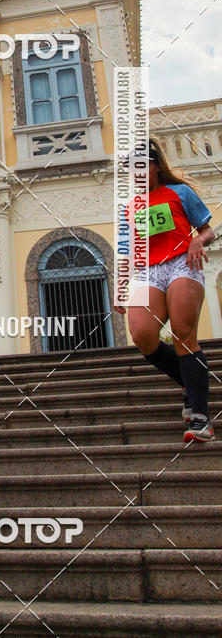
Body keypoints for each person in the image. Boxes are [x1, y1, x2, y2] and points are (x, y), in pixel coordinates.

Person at [114, 137, 216, 443]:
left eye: (140, 167)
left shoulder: (180, 192)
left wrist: (199, 240)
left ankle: (200, 419)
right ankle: (187, 381)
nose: (135, 174)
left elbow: (207, 230)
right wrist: (121, 283)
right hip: (149, 271)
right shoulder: (129, 208)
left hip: (181, 263)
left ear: (155, 167)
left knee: (183, 333)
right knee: (142, 334)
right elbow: (127, 250)